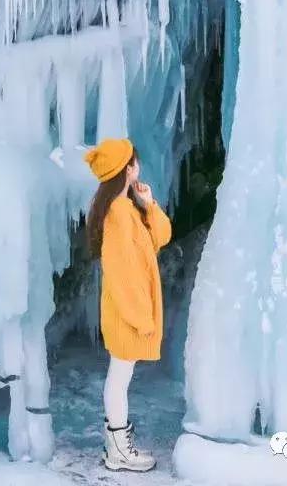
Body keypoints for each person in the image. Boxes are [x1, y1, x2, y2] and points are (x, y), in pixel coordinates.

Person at [83, 137, 172, 472]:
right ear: (126, 168)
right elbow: (121, 273)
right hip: (125, 312)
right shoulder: (118, 215)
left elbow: (160, 238)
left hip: (128, 310)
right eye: (134, 161)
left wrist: (149, 204)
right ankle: (118, 449)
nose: (138, 165)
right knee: (119, 378)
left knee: (120, 376)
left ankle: (117, 445)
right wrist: (140, 317)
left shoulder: (126, 208)